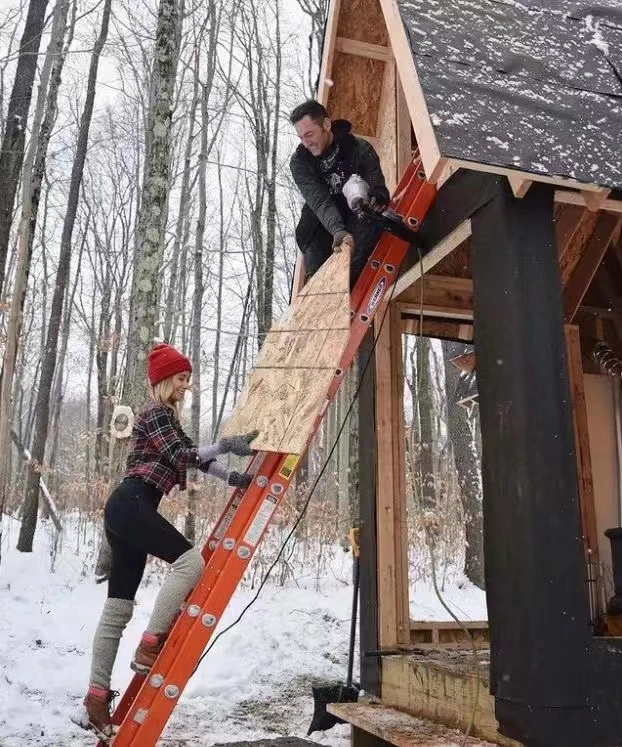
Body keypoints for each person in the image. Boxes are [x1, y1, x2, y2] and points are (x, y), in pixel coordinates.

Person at [71, 343, 258, 740]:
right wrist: (226, 443)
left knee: (117, 609)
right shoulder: (155, 414)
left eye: (188, 378)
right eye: (181, 378)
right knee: (190, 562)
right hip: (131, 502)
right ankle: (150, 644)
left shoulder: (168, 419)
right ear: (164, 380)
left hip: (127, 509)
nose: (186, 385)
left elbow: (197, 458)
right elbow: (182, 454)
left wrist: (232, 477)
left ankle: (95, 699)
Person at [289, 99, 391, 286]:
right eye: (301, 137)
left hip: (355, 215)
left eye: (309, 134)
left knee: (372, 221)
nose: (306, 143)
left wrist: (376, 200)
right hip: (321, 223)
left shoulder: (359, 149)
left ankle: (351, 283)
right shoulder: (300, 162)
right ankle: (319, 287)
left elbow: (379, 188)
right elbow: (319, 201)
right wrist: (338, 230)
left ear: (326, 124)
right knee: (310, 234)